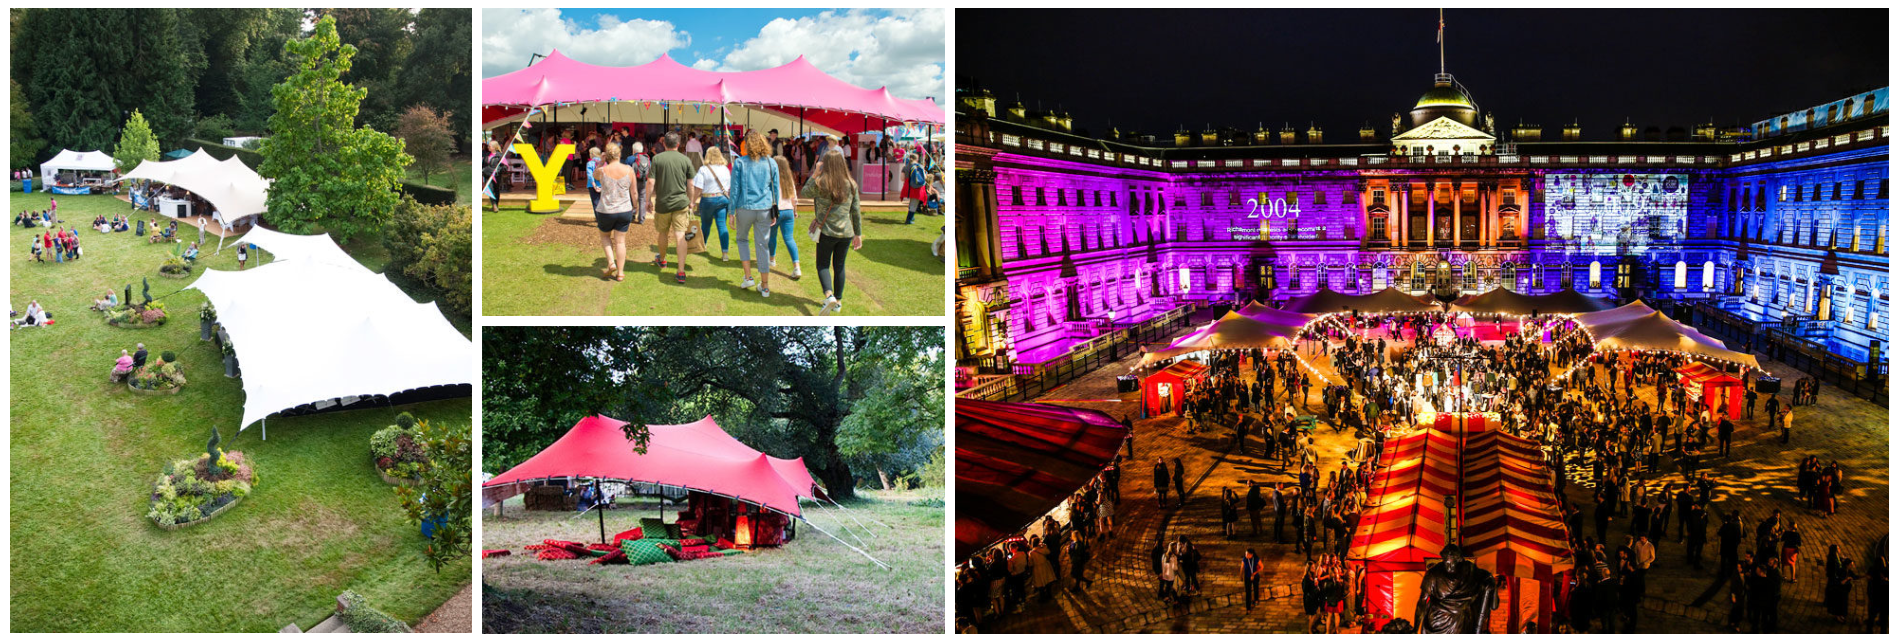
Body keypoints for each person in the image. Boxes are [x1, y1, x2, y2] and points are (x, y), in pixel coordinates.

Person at [802, 148, 863, 316]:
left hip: (827, 231)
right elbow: (856, 211)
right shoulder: (851, 184)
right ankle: (838, 301)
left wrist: (815, 173)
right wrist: (858, 234)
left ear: (825, 164)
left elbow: (804, 192)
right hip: (846, 232)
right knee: (839, 266)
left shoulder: (821, 182)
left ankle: (829, 296)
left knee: (822, 264)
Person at [728, 130, 781, 297]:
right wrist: (775, 210)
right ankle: (765, 286)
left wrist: (731, 211)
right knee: (762, 245)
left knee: (742, 240)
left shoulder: (740, 163)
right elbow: (775, 189)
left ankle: (748, 276)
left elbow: (735, 190)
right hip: (764, 208)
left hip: (745, 207)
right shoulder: (771, 163)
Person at [650, 132, 696, 283]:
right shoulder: (685, 160)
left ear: (664, 144)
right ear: (678, 144)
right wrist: (691, 201)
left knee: (663, 233)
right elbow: (690, 184)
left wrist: (647, 201)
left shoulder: (657, 159)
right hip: (681, 203)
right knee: (680, 235)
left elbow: (650, 182)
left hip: (663, 203)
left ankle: (662, 260)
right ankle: (681, 271)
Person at [591, 143, 637, 282]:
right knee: (621, 242)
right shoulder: (629, 170)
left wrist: (601, 161)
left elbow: (594, 175)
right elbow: (634, 192)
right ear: (619, 154)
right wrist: (635, 207)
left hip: (606, 210)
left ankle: (611, 263)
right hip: (624, 210)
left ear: (607, 155)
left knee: (605, 237)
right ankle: (621, 273)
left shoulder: (603, 171)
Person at [689, 147, 732, 260]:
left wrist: (692, 202)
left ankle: (703, 246)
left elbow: (698, 188)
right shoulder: (725, 169)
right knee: (722, 225)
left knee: (706, 224)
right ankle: (725, 253)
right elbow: (729, 187)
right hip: (723, 198)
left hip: (708, 199)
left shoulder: (703, 169)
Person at [765, 155, 802, 280]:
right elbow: (794, 198)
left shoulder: (771, 178)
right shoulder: (789, 179)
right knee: (789, 238)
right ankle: (796, 266)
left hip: (776, 211)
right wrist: (795, 211)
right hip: (788, 211)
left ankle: (772, 259)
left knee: (772, 236)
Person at [902, 146, 929, 224]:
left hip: (909, 186)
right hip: (917, 187)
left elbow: (902, 178)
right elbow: (925, 177)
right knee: (914, 203)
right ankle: (909, 219)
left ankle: (911, 217)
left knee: (911, 202)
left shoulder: (906, 167)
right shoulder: (919, 166)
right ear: (917, 159)